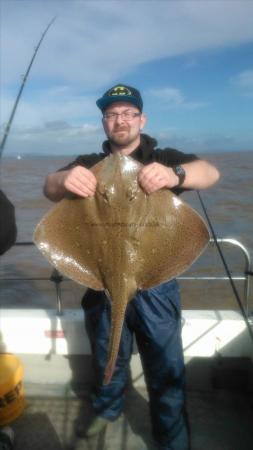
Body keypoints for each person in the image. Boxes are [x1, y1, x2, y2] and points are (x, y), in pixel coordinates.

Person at [43, 84, 220, 450]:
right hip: (101, 279)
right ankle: (106, 411)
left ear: (142, 119)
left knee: (165, 366)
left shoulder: (164, 156)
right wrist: (63, 179)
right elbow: (49, 188)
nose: (119, 120)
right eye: (111, 114)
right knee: (107, 354)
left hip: (156, 283)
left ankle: (171, 436)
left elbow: (210, 173)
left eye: (127, 113)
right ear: (104, 123)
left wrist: (176, 176)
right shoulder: (88, 162)